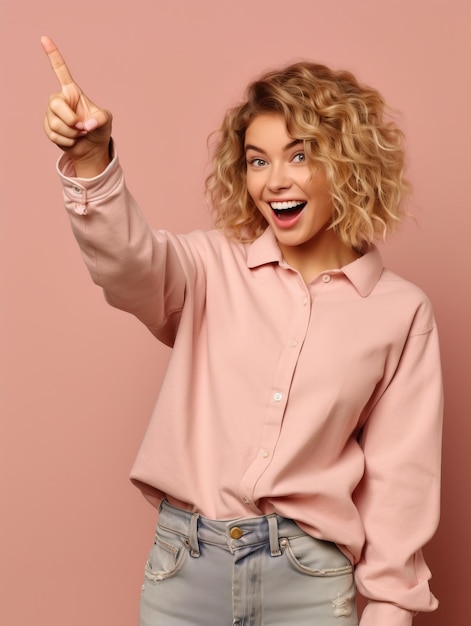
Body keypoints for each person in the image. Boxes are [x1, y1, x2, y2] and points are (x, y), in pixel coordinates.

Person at [41, 34, 443, 626]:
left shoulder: (401, 312)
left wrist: (388, 611)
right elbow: (127, 268)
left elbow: (400, 484)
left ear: (351, 164)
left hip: (310, 580)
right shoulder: (208, 266)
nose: (274, 180)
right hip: (184, 570)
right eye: (258, 160)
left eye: (300, 155)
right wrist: (94, 162)